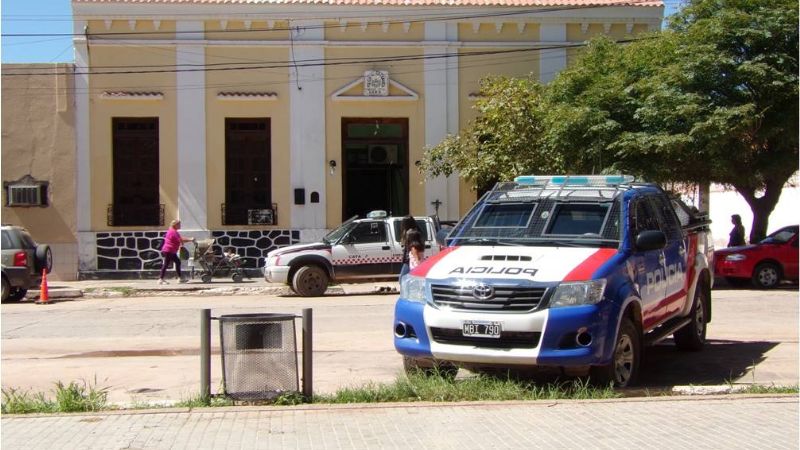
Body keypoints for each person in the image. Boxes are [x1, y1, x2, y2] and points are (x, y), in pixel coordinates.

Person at [159, 219, 195, 284]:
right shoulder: (173, 232)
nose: (180, 226)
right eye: (179, 224)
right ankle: (161, 279)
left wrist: (181, 243)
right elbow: (180, 239)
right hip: (169, 250)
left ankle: (180, 278)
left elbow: (177, 240)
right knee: (166, 264)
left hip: (170, 250)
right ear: (175, 225)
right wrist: (190, 239)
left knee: (177, 262)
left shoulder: (171, 231)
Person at [399, 216, 420, 281]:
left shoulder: (410, 233)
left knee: (402, 279)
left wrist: (416, 259)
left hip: (409, 260)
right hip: (410, 259)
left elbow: (413, 247)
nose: (402, 225)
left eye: (403, 223)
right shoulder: (415, 231)